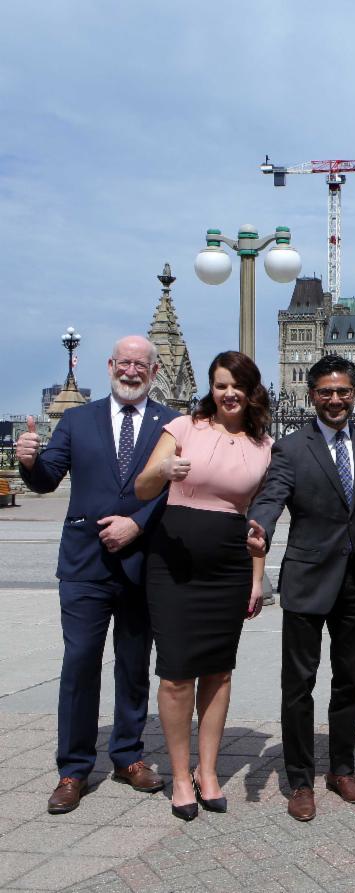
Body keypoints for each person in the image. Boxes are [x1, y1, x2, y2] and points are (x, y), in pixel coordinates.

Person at [16, 336, 178, 814]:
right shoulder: (78, 420)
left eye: (141, 365)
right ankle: (73, 768)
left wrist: (137, 524)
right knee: (80, 663)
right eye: (124, 363)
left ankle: (128, 755)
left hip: (142, 562)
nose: (131, 371)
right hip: (85, 564)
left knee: (133, 665)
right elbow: (48, 478)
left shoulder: (171, 423)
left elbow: (174, 491)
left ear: (154, 371)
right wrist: (29, 461)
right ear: (110, 366)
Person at [246, 355, 355, 822]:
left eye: (343, 391)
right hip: (308, 580)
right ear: (311, 396)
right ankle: (301, 780)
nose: (335, 400)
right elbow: (272, 495)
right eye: (326, 392)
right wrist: (260, 527)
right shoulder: (291, 447)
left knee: (349, 680)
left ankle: (342, 769)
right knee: (299, 684)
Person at [134, 351, 272, 820]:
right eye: (220, 385)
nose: (228, 393)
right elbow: (142, 488)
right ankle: (179, 775)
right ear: (211, 390)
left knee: (218, 670)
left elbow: (259, 522)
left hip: (230, 566)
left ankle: (207, 771)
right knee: (176, 674)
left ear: (251, 390)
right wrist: (163, 472)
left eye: (237, 385)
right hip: (174, 564)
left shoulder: (264, 445)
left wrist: (257, 579)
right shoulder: (183, 427)